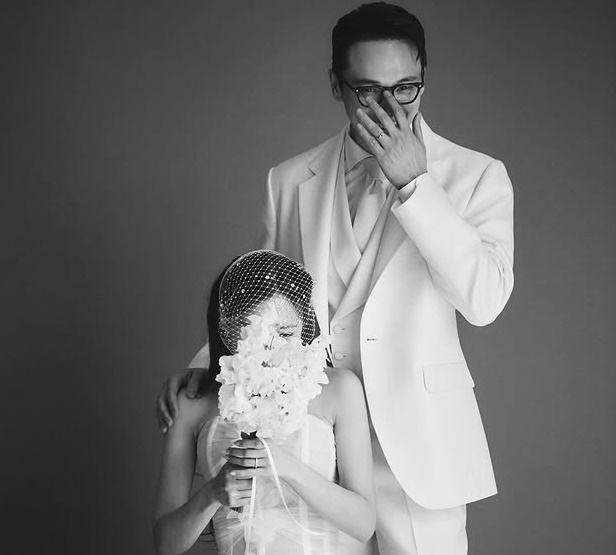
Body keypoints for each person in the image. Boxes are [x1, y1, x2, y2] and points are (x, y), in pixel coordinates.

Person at [157, 3, 514, 554]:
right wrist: (207, 368)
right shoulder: (287, 180)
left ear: (424, 79)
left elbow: (485, 300)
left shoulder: (475, 176)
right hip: (309, 440)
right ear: (336, 85)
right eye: (367, 91)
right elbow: (263, 297)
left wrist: (416, 185)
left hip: (416, 450)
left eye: (406, 89)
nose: (389, 108)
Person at [153, 250, 375, 555]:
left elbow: (363, 524)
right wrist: (212, 494)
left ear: (304, 324)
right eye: (254, 334)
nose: (273, 349)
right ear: (228, 330)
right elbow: (165, 544)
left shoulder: (339, 389)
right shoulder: (192, 402)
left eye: (286, 332)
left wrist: (287, 467)